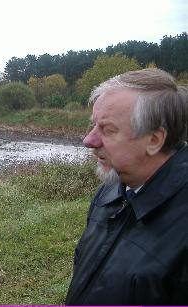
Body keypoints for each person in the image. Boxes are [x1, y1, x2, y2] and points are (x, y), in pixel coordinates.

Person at [65, 68, 188, 305]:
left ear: (154, 140)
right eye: (93, 125)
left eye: (108, 130)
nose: (88, 140)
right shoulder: (112, 191)